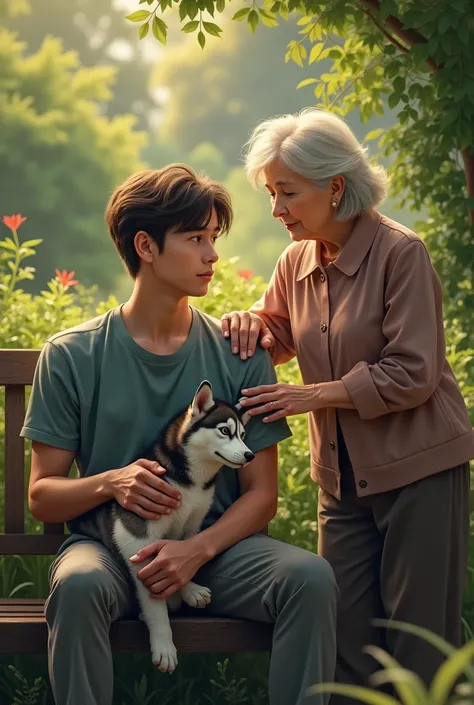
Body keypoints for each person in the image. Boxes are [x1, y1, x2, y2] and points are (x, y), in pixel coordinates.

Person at [20, 164, 337, 705]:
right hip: (110, 552)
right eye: (195, 239)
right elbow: (43, 496)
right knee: (76, 587)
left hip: (218, 554)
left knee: (309, 580)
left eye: (214, 238)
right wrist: (110, 483)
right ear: (145, 245)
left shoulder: (240, 353)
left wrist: (195, 550)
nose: (212, 254)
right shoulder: (72, 355)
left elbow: (262, 497)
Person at [221, 108, 474, 699]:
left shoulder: (400, 254)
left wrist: (313, 396)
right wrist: (249, 323)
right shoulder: (296, 260)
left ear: (335, 186)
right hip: (342, 482)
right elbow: (280, 334)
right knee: (347, 646)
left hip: (421, 471)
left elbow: (413, 372)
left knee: (417, 648)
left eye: (288, 193)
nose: (277, 209)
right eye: (271, 194)